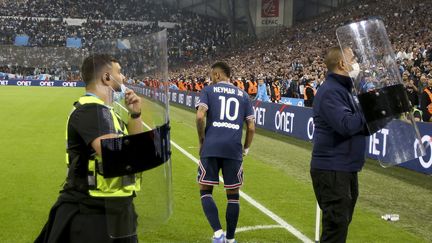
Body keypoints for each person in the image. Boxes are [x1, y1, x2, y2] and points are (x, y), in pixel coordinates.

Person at [36, 54, 143, 243]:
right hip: (93, 213)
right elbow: (118, 158)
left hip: (113, 209)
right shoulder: (93, 111)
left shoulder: (105, 111)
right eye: (119, 72)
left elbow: (130, 150)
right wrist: (149, 152)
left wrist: (135, 116)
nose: (124, 78)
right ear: (106, 77)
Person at [310, 47, 370, 243]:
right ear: (342, 64)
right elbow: (346, 125)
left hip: (345, 168)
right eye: (353, 58)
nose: (356, 62)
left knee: (338, 228)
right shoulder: (331, 92)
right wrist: (370, 107)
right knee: (335, 232)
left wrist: (382, 114)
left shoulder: (343, 90)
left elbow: (359, 125)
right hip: (333, 169)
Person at [196, 62, 255, 243]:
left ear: (217, 75)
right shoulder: (244, 96)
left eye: (211, 75)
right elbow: (251, 127)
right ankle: (230, 239)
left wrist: (202, 140)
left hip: (211, 146)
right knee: (233, 196)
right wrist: (245, 148)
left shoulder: (208, 91)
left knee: (205, 191)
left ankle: (218, 233)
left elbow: (200, 116)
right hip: (233, 149)